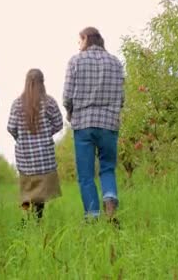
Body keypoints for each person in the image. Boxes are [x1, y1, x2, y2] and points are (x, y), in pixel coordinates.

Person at [63, 27, 125, 223]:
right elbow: (121, 96)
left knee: (86, 173)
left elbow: (67, 95)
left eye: (79, 41)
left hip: (83, 123)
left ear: (85, 39)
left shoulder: (75, 61)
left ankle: (92, 215)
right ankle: (109, 198)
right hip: (109, 123)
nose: (78, 45)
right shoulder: (115, 62)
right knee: (107, 168)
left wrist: (70, 111)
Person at [7, 69, 63, 223]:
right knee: (41, 193)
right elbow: (59, 124)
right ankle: (38, 220)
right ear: (42, 82)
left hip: (25, 158)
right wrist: (45, 134)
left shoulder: (17, 103)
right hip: (44, 158)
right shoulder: (49, 102)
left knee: (27, 190)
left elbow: (11, 127)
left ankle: (25, 219)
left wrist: (22, 139)